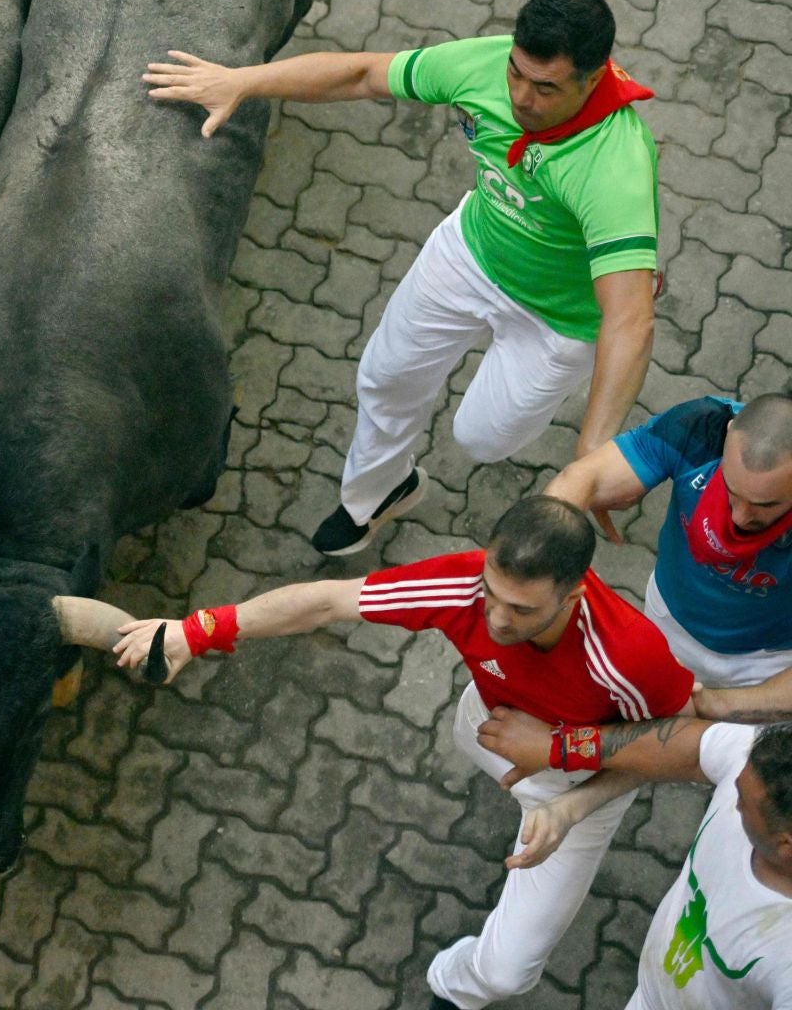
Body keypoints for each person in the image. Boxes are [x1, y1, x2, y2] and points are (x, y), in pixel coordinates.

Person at [114, 496, 694, 1009]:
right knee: (473, 737)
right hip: (487, 731)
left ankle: (454, 986)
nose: (494, 619)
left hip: (576, 791)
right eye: (492, 593)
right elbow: (326, 602)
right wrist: (198, 630)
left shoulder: (630, 656)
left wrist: (563, 771)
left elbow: (678, 746)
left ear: (575, 592)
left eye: (521, 610)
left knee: (507, 971)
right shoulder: (466, 585)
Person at [144, 0, 659, 557]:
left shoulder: (616, 165)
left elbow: (631, 319)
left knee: (481, 438)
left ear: (594, 78)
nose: (521, 97)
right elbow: (362, 74)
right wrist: (243, 81)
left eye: (546, 88)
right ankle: (380, 493)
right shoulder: (483, 65)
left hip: (558, 319)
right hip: (473, 252)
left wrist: (592, 461)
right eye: (516, 73)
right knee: (385, 376)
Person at [474, 713, 792, 1009]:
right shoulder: (766, 766)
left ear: (785, 846)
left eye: (742, 801)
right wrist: (562, 749)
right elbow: (692, 749)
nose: (730, 795)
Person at [547, 395, 792, 721]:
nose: (740, 517)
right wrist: (531, 572)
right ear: (729, 434)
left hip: (765, 662)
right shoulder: (701, 428)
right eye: (732, 491)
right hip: (667, 619)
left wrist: (713, 706)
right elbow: (581, 480)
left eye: (765, 505)